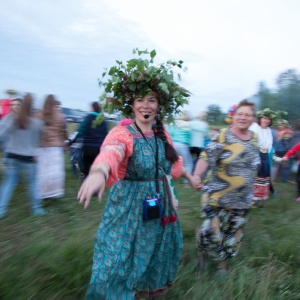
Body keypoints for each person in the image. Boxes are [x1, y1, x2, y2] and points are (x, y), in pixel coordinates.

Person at [77, 49, 198, 299]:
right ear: (131, 104)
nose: (146, 105)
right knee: (118, 257)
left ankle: (149, 292)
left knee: (157, 253)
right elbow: (112, 152)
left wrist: (189, 176)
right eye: (140, 100)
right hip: (129, 207)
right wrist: (99, 172)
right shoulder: (123, 133)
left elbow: (172, 166)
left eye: (151, 100)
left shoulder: (163, 133)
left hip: (160, 205)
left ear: (158, 105)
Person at [193, 99, 260, 274]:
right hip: (218, 196)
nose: (243, 117)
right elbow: (206, 156)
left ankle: (222, 266)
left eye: (247, 115)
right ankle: (203, 253)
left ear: (253, 118)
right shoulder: (223, 135)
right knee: (209, 232)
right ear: (234, 116)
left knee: (232, 236)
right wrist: (197, 175)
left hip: (243, 199)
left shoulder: (255, 138)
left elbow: (253, 165)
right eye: (240, 114)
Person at [0, 93, 46, 219]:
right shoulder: (37, 123)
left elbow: (1, 134)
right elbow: (39, 141)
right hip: (28, 158)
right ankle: (36, 209)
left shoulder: (10, 119)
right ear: (32, 107)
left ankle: (1, 210)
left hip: (11, 156)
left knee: (9, 182)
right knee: (32, 184)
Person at [35, 95, 69, 200]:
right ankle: (54, 192)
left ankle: (43, 193)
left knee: (43, 171)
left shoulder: (38, 116)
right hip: (55, 147)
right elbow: (64, 132)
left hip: (42, 146)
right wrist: (66, 141)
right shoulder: (60, 117)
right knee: (55, 172)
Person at [249, 108, 275, 208]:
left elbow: (269, 145)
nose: (266, 120)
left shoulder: (268, 130)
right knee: (256, 176)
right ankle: (252, 199)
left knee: (264, 177)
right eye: (264, 118)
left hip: (265, 155)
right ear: (260, 118)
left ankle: (261, 199)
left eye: (268, 119)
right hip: (255, 153)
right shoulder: (254, 127)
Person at [76, 102, 108, 178]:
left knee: (86, 169)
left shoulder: (87, 117)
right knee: (96, 169)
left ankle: (86, 183)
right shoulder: (103, 119)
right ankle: (96, 184)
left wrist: (76, 139)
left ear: (93, 108)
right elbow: (106, 134)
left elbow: (81, 131)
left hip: (87, 147)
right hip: (99, 148)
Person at [167, 111, 193, 186]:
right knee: (188, 163)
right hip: (183, 145)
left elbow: (170, 134)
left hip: (173, 145)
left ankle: (170, 177)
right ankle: (186, 181)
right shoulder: (188, 124)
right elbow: (189, 136)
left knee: (172, 162)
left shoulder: (173, 123)